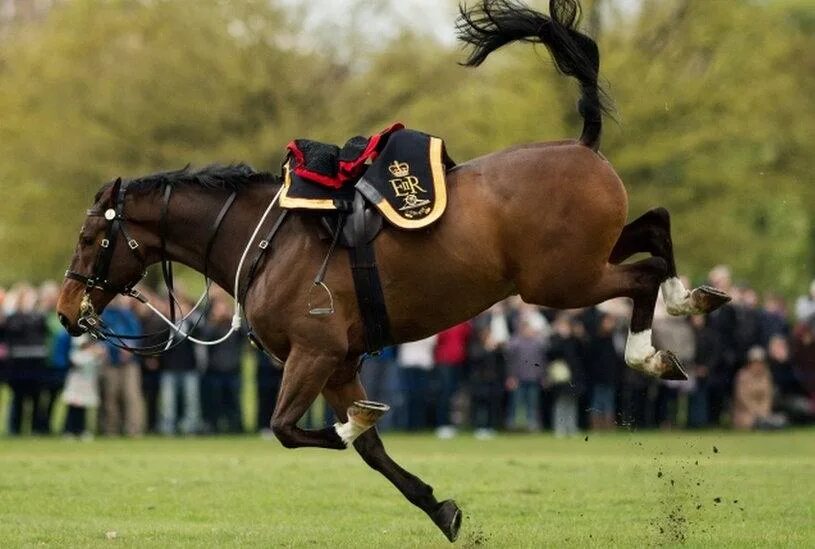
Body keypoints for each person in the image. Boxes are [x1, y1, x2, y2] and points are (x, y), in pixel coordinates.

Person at [5, 284, 50, 435]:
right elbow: (13, 331)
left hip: (36, 361)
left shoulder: (39, 316)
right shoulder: (12, 318)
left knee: (37, 398)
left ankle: (37, 428)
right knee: (18, 398)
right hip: (18, 363)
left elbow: (44, 330)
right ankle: (15, 428)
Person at [99, 295, 145, 437]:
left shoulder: (128, 314)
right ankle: (110, 430)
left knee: (132, 396)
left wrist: (129, 347)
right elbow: (101, 336)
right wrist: (117, 347)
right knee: (110, 397)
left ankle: (134, 430)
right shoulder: (103, 315)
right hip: (110, 362)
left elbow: (137, 334)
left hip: (129, 362)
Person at [201, 296, 244, 434]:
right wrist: (215, 321)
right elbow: (206, 337)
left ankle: (235, 426)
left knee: (233, 401)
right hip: (215, 369)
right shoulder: (211, 325)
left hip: (232, 368)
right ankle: (214, 426)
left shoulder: (233, 326)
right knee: (215, 401)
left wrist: (234, 318)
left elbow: (245, 334)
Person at [468, 304, 508, 439]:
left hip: (492, 379)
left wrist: (494, 349)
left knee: (492, 404)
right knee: (480, 405)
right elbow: (474, 358)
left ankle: (490, 427)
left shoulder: (495, 349)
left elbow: (501, 362)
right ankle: (479, 427)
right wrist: (486, 349)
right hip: (480, 380)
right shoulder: (476, 347)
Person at [504, 317, 546, 432]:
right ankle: (512, 425)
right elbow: (510, 362)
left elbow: (542, 362)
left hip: (533, 378)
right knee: (515, 404)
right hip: (518, 378)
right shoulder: (514, 342)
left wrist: (543, 377)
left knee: (532, 404)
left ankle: (532, 425)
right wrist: (511, 377)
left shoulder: (538, 343)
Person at [547, 312, 586, 437]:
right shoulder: (554, 339)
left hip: (574, 375)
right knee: (560, 402)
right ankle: (560, 428)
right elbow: (552, 353)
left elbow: (584, 351)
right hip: (561, 375)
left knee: (572, 402)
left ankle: (571, 427)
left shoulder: (574, 339)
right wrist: (562, 338)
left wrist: (579, 336)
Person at [62, 335, 106, 439]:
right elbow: (77, 361)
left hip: (87, 383)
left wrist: (98, 355)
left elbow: (98, 364)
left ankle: (81, 430)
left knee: (83, 408)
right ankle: (68, 430)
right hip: (76, 383)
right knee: (73, 408)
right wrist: (92, 354)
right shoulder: (77, 353)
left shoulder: (93, 352)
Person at [732, 346, 785, 430]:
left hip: (763, 411)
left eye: (760, 362)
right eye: (755, 362)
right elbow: (742, 397)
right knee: (749, 421)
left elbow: (768, 395)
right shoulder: (742, 376)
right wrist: (755, 410)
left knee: (777, 419)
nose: (758, 365)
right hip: (746, 412)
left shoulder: (766, 375)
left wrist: (763, 410)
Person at [433, 322, 471, 439]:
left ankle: (451, 424)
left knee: (454, 394)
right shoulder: (443, 321)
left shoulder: (464, 323)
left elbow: (467, 338)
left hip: (460, 362)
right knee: (445, 393)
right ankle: (442, 424)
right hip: (445, 361)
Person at [396, 335, 437, 431]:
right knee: (409, 396)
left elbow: (432, 342)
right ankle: (410, 425)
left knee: (420, 397)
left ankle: (419, 424)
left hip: (423, 362)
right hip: (409, 362)